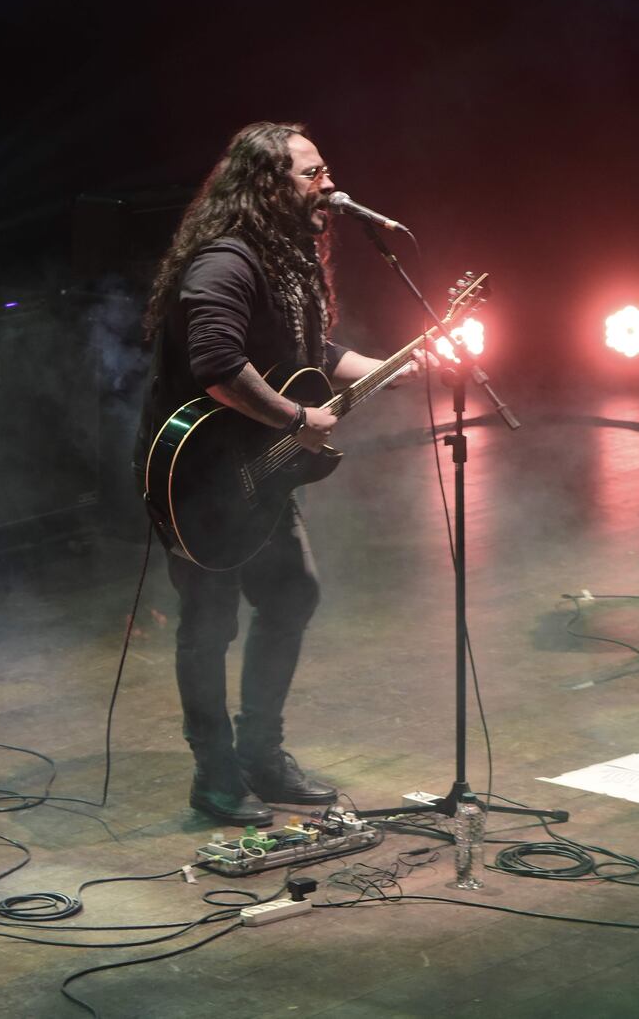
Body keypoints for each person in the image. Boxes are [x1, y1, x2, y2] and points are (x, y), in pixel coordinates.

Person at [135, 121, 424, 827]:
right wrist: (297, 420)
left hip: (259, 468)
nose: (329, 184)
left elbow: (310, 353)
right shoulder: (223, 263)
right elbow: (218, 369)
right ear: (267, 186)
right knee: (208, 624)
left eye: (326, 169)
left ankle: (264, 755)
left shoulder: (290, 263)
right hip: (199, 473)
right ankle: (215, 771)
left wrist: (398, 366)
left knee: (291, 595)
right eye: (311, 174)